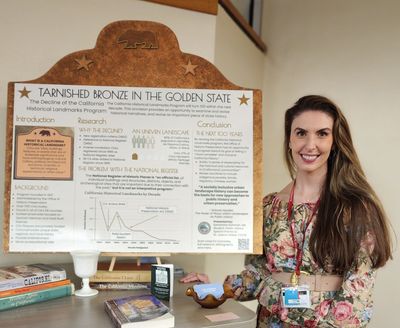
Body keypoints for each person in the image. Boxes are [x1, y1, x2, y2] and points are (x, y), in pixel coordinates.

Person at [180, 95, 392, 327]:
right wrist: (219, 289)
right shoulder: (269, 206)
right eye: (301, 133)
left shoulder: (356, 208)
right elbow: (261, 271)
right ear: (289, 139)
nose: (310, 145)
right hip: (270, 320)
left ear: (334, 142)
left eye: (322, 133)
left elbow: (358, 286)